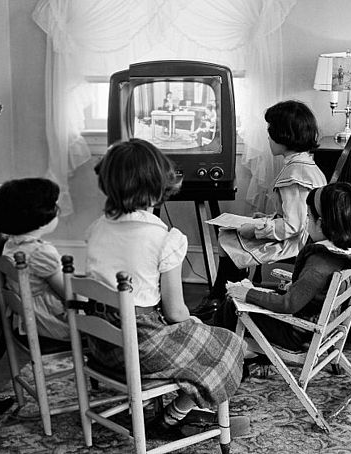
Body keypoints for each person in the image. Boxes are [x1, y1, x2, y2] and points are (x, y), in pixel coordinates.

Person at [85, 138, 247, 436]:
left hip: (101, 347)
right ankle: (174, 416)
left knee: (197, 337)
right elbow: (174, 312)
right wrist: (193, 322)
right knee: (229, 345)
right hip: (141, 347)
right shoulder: (165, 239)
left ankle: (163, 407)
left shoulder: (96, 228)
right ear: (156, 185)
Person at [193, 100, 327, 319]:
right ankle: (228, 294)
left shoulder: (295, 175)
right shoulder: (303, 165)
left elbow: (293, 225)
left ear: (284, 135)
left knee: (230, 237)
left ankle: (225, 297)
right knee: (230, 235)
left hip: (298, 242)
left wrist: (257, 229)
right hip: (303, 235)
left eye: (270, 131)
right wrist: (264, 219)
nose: (268, 137)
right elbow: (295, 214)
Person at [213, 182, 351, 352]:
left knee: (230, 307)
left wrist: (247, 293)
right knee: (252, 292)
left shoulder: (319, 264)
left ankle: (228, 358)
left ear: (321, 223)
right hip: (326, 324)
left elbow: (288, 304)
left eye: (308, 216)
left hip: (298, 333)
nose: (306, 222)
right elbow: (310, 290)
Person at [0, 177, 70, 348]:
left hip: (24, 325)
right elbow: (68, 292)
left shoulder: (10, 244)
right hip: (50, 326)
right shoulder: (40, 253)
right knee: (104, 324)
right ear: (40, 216)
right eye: (54, 206)